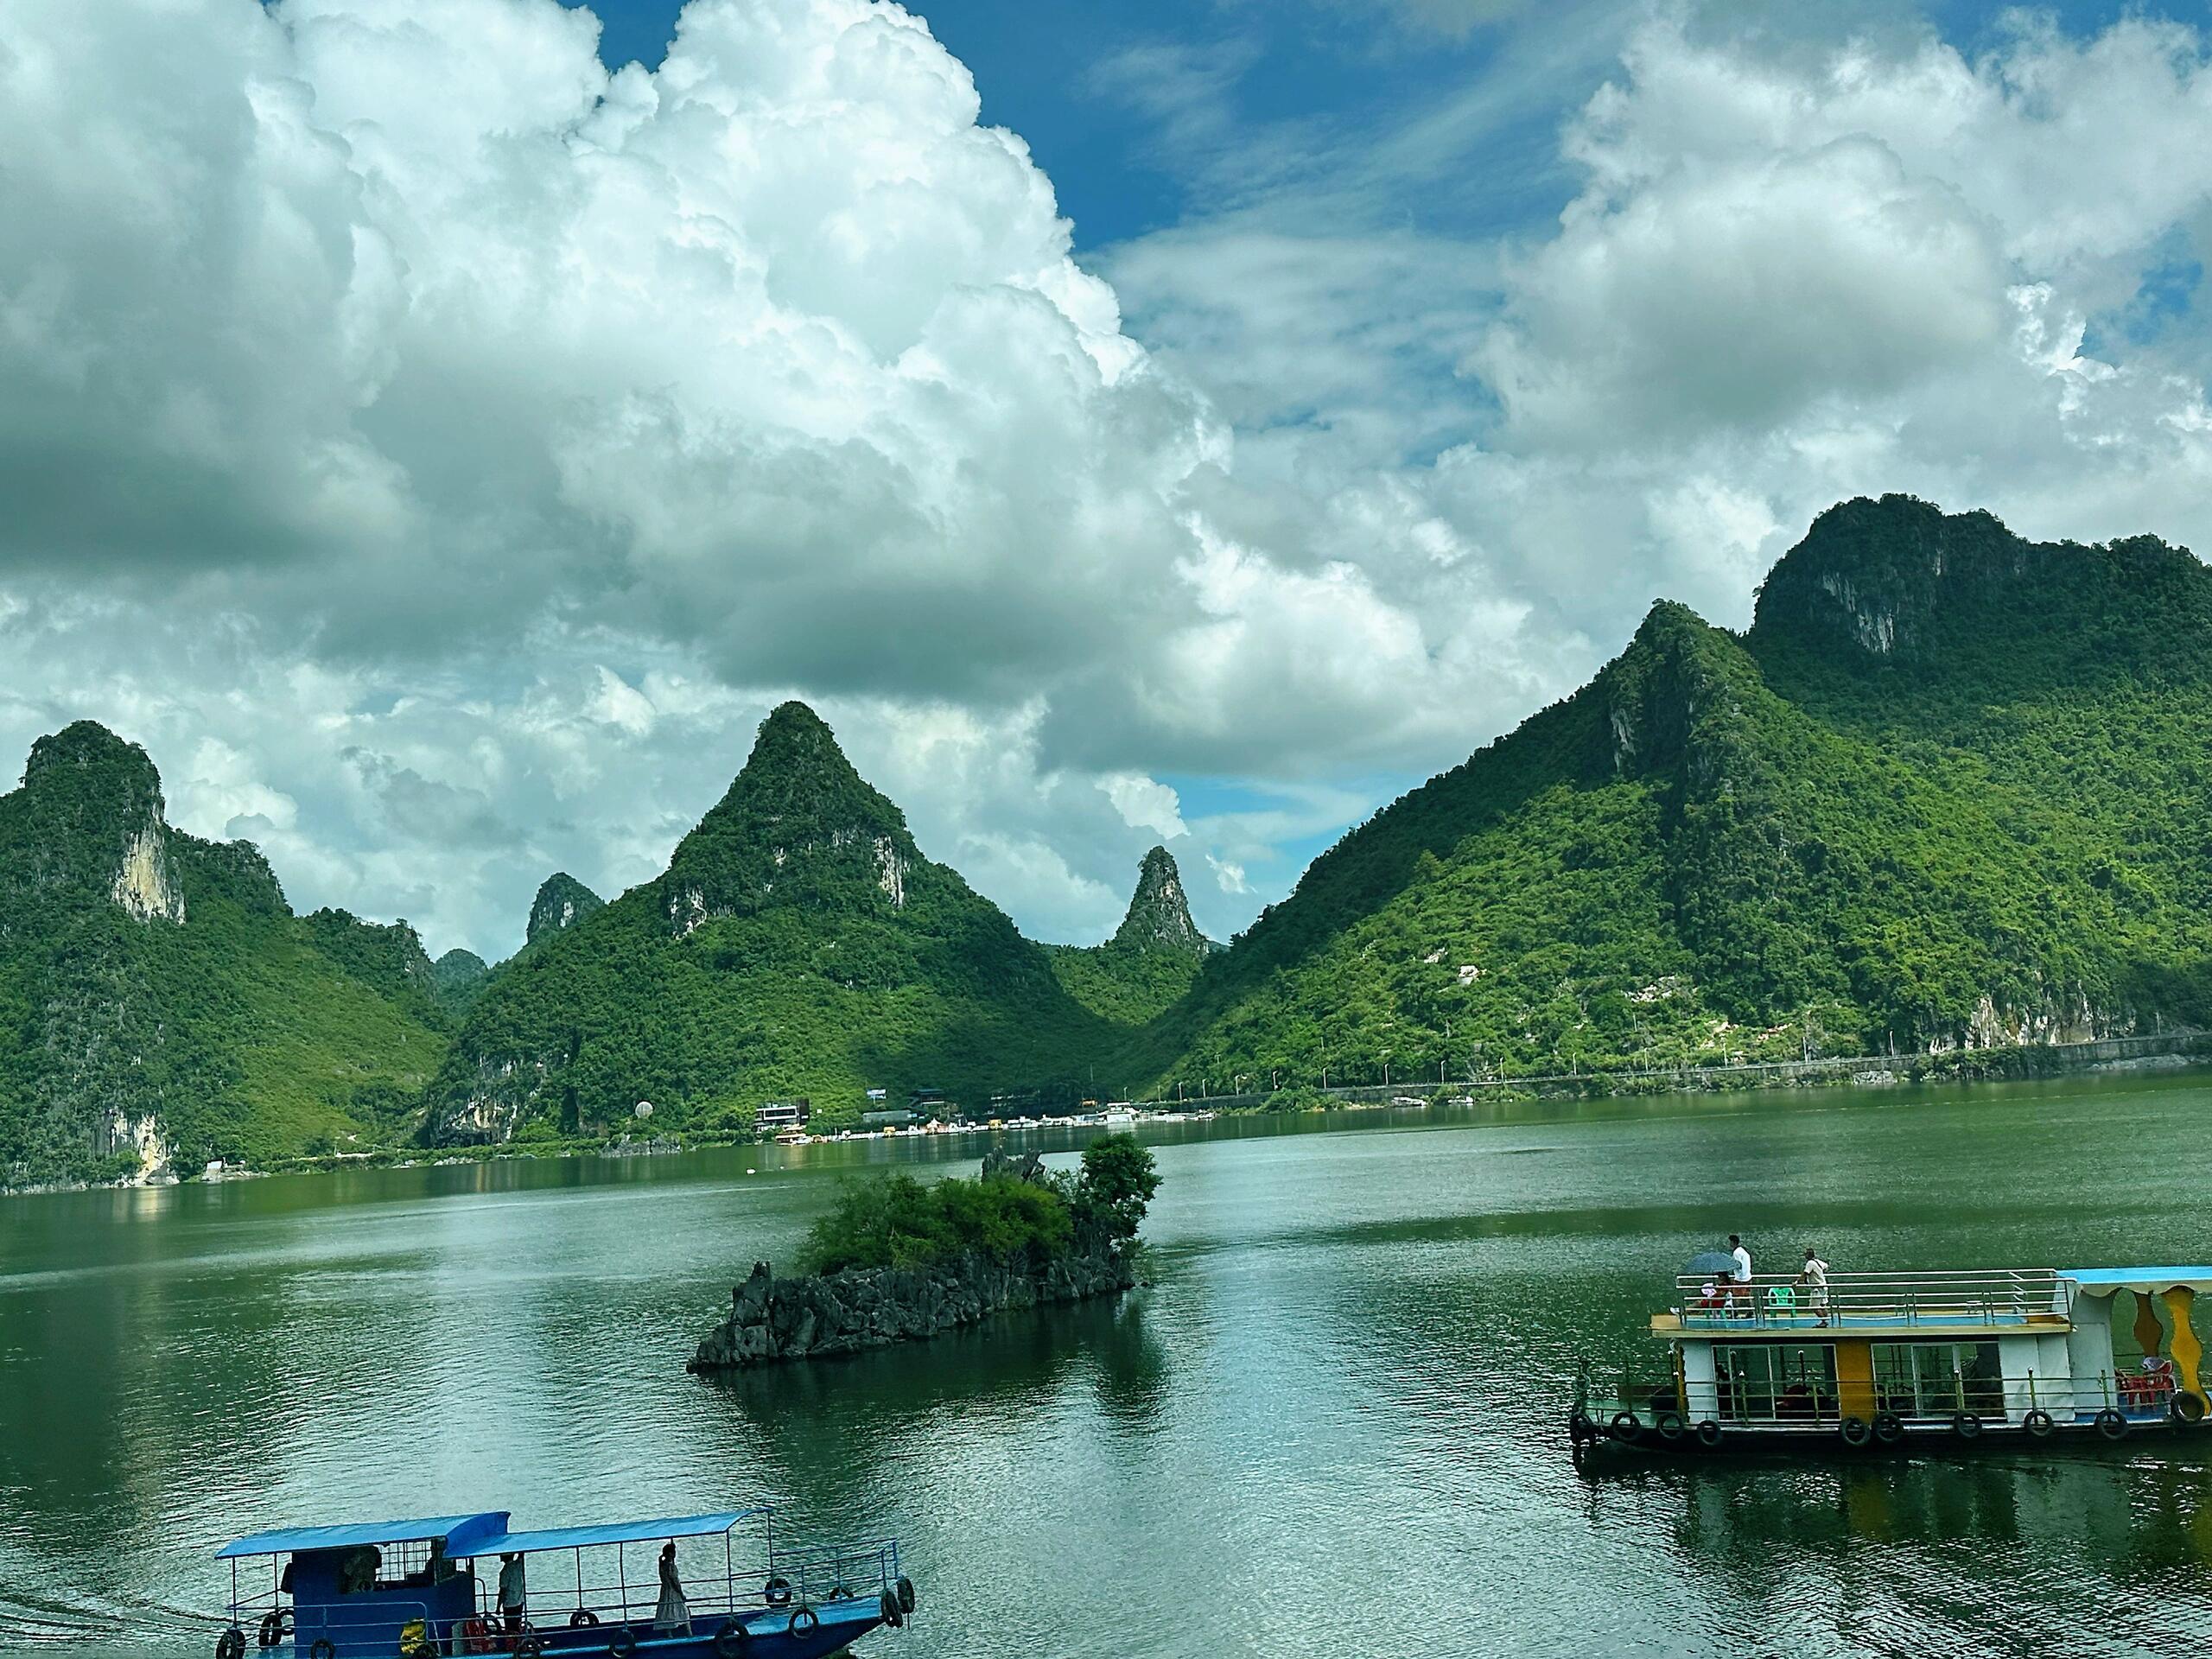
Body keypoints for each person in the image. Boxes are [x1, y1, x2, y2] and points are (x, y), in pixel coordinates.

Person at [653, 1542, 690, 1637]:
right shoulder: (671, 1567)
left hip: (665, 1591)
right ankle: (689, 1634)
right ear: (671, 1554)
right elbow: (675, 1582)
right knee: (684, 1612)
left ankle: (669, 1635)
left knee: (667, 1612)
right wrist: (681, 1593)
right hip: (673, 1591)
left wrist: (661, 1558)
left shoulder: (662, 1566)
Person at [498, 1553, 527, 1642]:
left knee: (510, 1628)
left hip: (510, 1603)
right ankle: (519, 1643)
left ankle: (513, 1645)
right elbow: (521, 1555)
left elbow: (502, 1591)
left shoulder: (505, 1571)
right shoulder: (518, 1565)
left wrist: (498, 1607)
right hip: (519, 1601)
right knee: (517, 1625)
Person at [1799, 1247, 1831, 1326]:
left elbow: (1805, 1273)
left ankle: (1824, 1322)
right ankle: (1825, 1321)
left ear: (1808, 1255)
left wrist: (1797, 1282)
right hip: (1823, 1285)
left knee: (1814, 1307)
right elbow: (1826, 1266)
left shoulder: (1810, 1263)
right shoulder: (1817, 1261)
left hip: (1817, 1288)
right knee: (1823, 1305)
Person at [1728, 1234, 1753, 1315]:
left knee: (1736, 1296)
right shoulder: (1743, 1251)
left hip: (1740, 1278)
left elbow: (1738, 1265)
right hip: (1748, 1276)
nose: (1730, 1244)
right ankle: (1750, 1311)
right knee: (1747, 1295)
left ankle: (1735, 1313)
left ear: (1733, 1242)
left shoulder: (1736, 1253)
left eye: (1730, 1242)